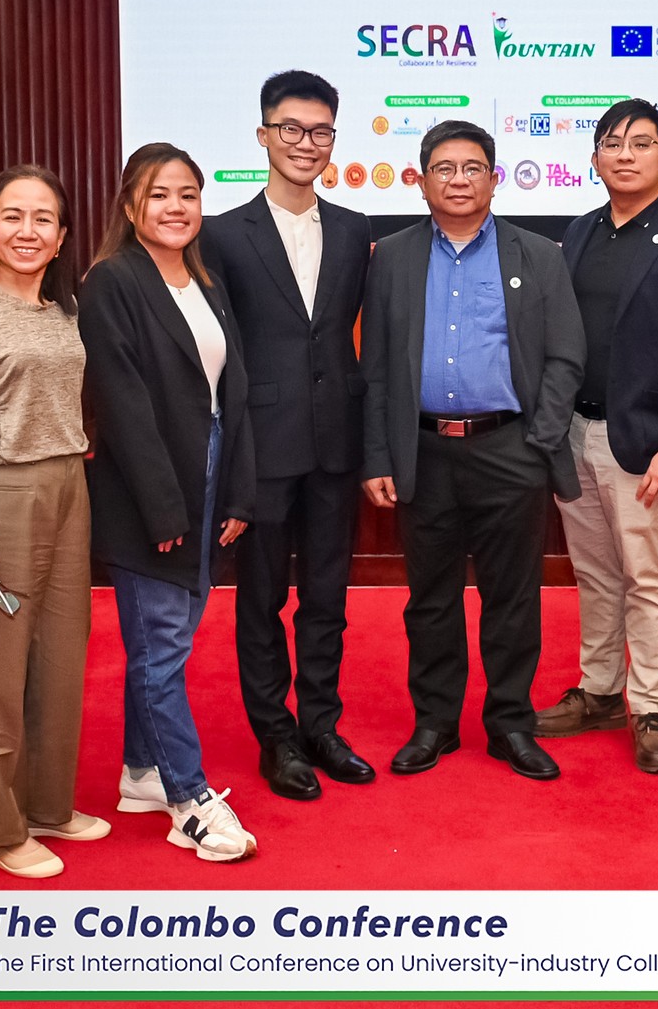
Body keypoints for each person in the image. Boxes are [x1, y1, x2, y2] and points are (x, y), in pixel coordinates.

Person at [361, 119, 586, 782]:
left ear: (494, 176)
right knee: (430, 596)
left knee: (511, 596)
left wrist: (538, 441)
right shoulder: (394, 257)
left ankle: (511, 722)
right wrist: (378, 454)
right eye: (445, 167)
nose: (459, 179)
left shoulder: (537, 254)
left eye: (472, 167)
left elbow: (565, 356)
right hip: (423, 452)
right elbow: (374, 364)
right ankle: (434, 721)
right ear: (422, 178)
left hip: (507, 449)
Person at [533, 99, 658, 774]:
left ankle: (649, 706)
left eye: (640, 143)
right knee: (594, 573)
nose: (624, 153)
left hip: (644, 444)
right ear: (593, 158)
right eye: (611, 142)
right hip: (576, 433)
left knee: (647, 577)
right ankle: (597, 690)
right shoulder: (581, 232)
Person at [82, 143, 259, 861]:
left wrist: (237, 488)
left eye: (188, 193)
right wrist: (163, 509)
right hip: (147, 489)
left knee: (171, 641)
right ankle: (188, 797)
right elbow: (121, 404)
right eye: (159, 194)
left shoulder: (205, 280)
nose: (176, 207)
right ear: (130, 205)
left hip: (208, 470)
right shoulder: (111, 282)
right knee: (158, 649)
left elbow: (232, 395)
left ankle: (141, 771)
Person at [202, 71, 375, 802]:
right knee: (262, 598)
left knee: (328, 595)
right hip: (263, 447)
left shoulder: (355, 228)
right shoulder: (221, 234)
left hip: (336, 440)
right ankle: (275, 735)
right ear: (265, 135)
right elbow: (220, 348)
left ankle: (322, 725)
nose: (308, 143)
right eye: (293, 129)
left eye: (322, 131)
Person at [0, 165, 105, 879]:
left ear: (63, 236)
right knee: (0, 672)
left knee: (62, 660)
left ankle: (46, 805)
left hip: (70, 484)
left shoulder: (63, 310)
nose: (28, 230)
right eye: (13, 216)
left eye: (44, 218)